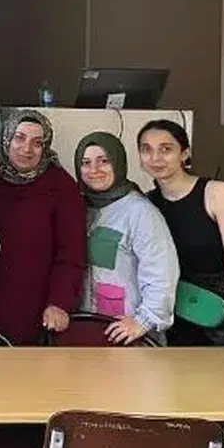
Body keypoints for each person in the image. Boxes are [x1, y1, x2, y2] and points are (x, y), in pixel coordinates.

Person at [138, 120, 224, 360]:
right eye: (147, 149)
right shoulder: (146, 204)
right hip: (175, 317)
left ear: (184, 154)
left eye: (166, 149)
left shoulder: (216, 192)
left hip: (219, 312)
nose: (155, 158)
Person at [0, 110, 87, 345]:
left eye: (37, 143)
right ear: (7, 139)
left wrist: (59, 302)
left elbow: (71, 253)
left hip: (35, 307)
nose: (27, 149)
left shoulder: (61, 186)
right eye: (19, 138)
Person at [75, 132, 180, 345]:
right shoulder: (77, 207)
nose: (94, 170)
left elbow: (162, 273)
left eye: (104, 161)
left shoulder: (140, 212)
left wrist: (144, 320)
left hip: (129, 332)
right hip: (86, 328)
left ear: (118, 163)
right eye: (86, 163)